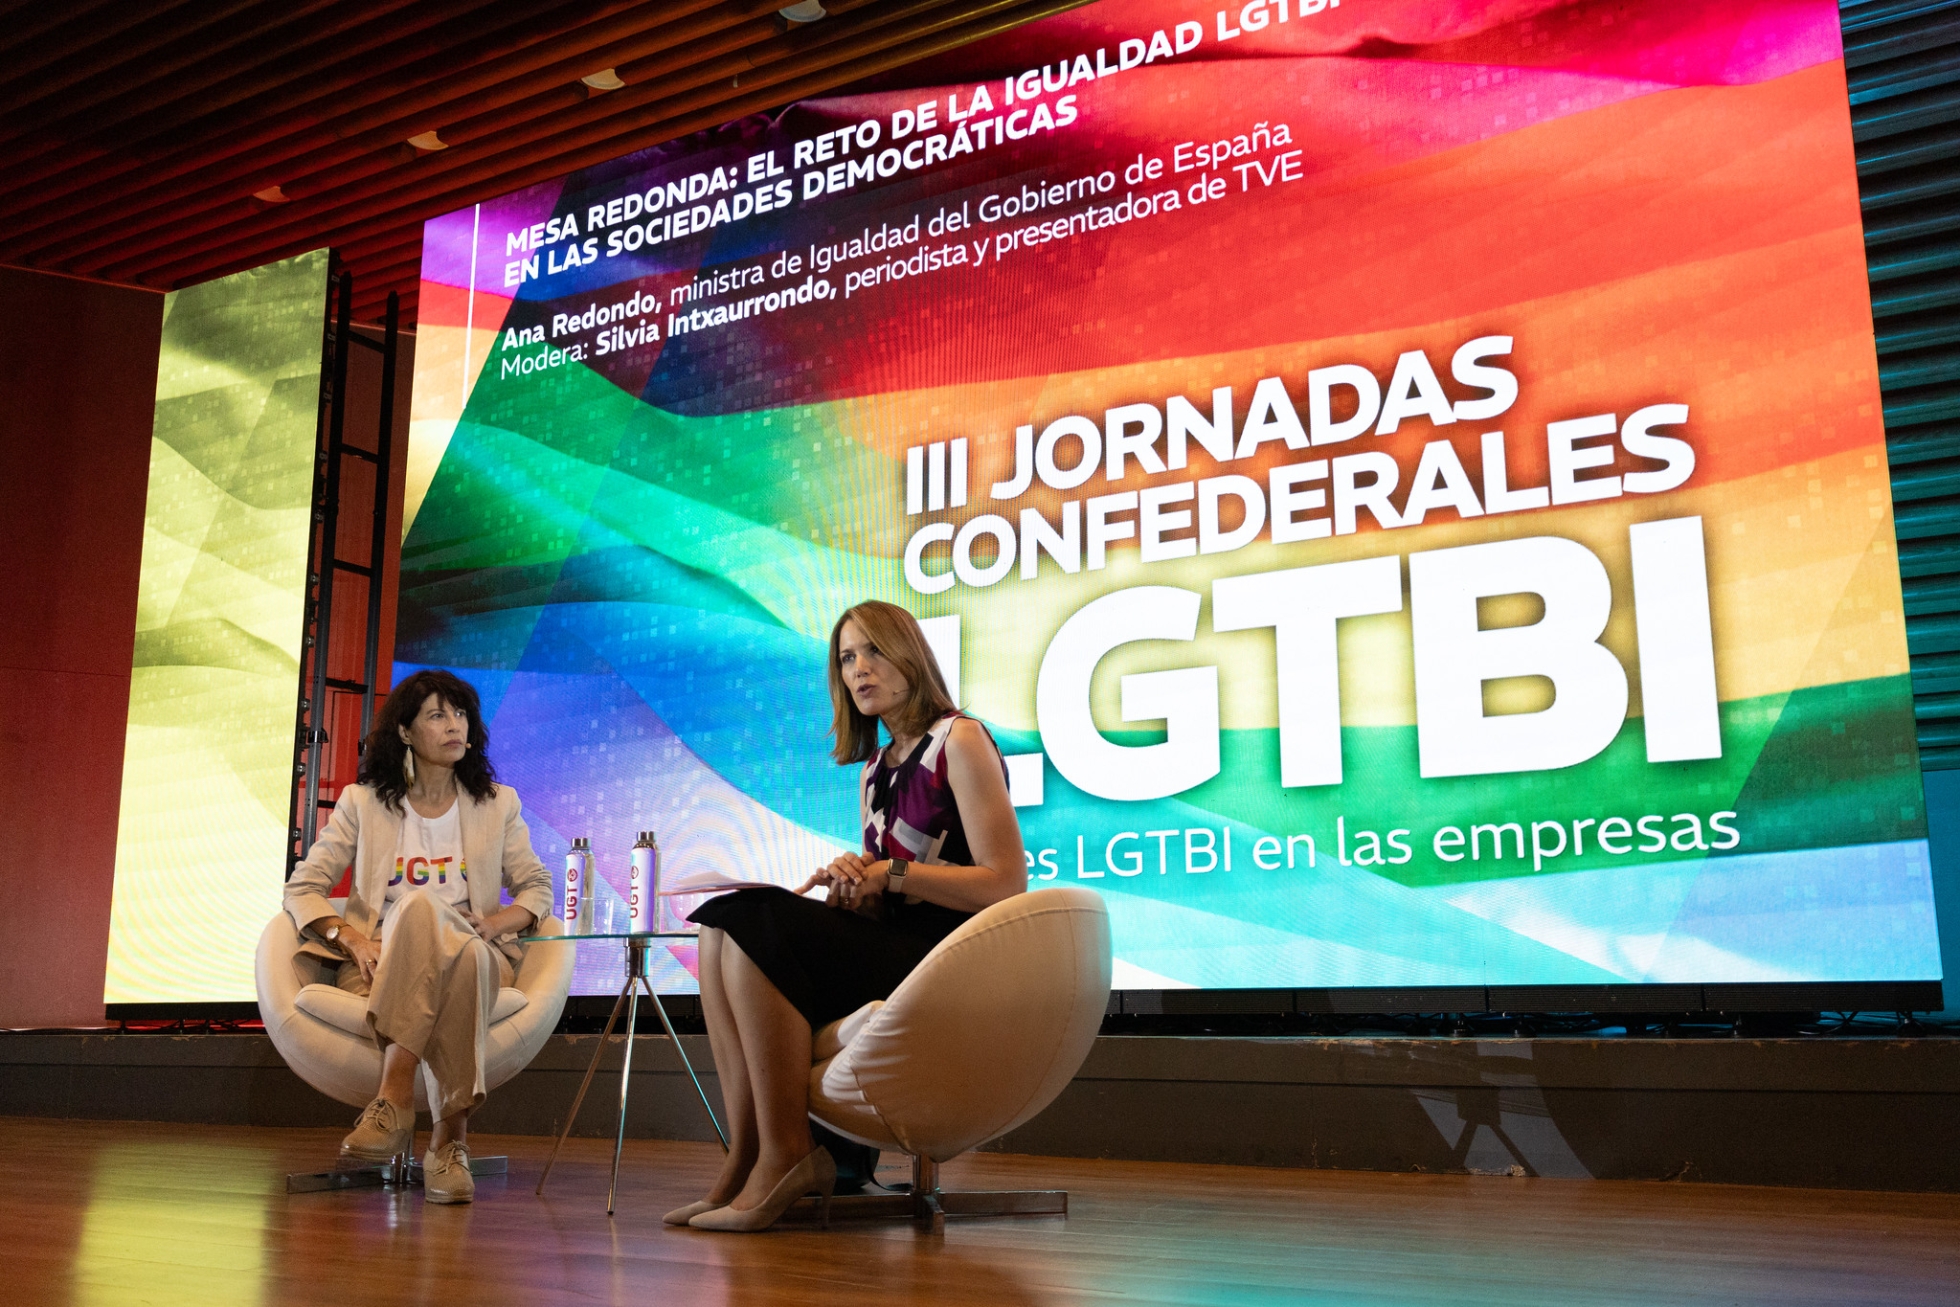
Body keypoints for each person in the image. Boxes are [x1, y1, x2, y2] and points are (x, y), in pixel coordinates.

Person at [675, 600, 1027, 1232]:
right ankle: (748, 1154)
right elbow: (884, 895)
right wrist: (853, 888)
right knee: (722, 921)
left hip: (949, 960)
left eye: (873, 651)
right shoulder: (873, 770)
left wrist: (890, 872)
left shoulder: (959, 739)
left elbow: (1006, 882)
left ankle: (787, 1153)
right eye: (845, 658)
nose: (859, 669)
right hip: (894, 946)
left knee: (758, 921)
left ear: (910, 655)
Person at [284, 669, 553, 1204]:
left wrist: (494, 924)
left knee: (444, 926)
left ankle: (393, 1098)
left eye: (461, 714)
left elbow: (537, 886)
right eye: (437, 715)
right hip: (382, 963)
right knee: (440, 932)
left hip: (477, 947)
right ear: (406, 732)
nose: (454, 725)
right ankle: (450, 1143)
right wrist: (353, 940)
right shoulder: (364, 803)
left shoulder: (497, 803)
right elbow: (303, 888)